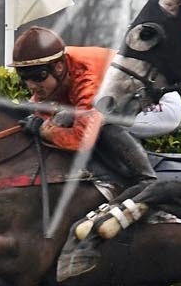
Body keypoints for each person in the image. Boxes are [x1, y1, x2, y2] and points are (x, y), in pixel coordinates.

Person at [11, 26, 157, 189]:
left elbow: (82, 140)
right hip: (121, 100)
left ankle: (146, 180)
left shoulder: (87, 78)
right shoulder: (57, 71)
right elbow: (41, 116)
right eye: (25, 78)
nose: (31, 85)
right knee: (62, 118)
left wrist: (43, 130)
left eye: (37, 76)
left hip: (158, 105)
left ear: (58, 67)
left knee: (100, 123)